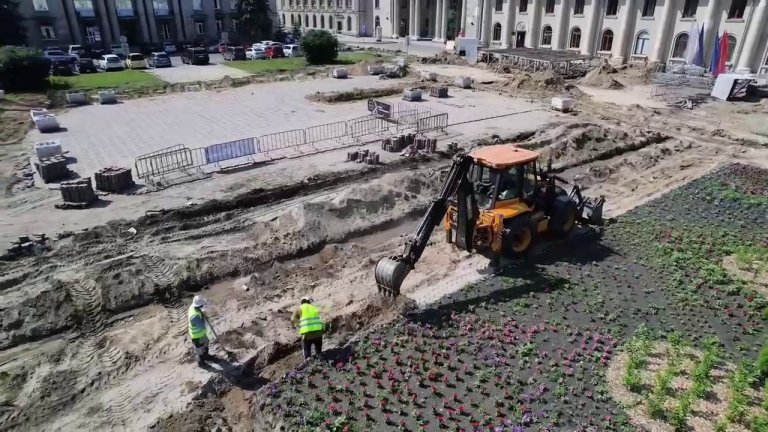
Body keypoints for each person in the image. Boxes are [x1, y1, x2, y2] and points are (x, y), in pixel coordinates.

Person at [188, 295, 212, 366]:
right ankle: (201, 362)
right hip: (197, 335)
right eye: (202, 305)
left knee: (206, 342)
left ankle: (206, 356)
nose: (203, 305)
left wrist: (202, 313)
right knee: (199, 349)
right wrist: (203, 318)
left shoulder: (193, 307)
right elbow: (201, 325)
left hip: (201, 333)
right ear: (198, 305)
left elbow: (199, 313)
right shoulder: (194, 316)